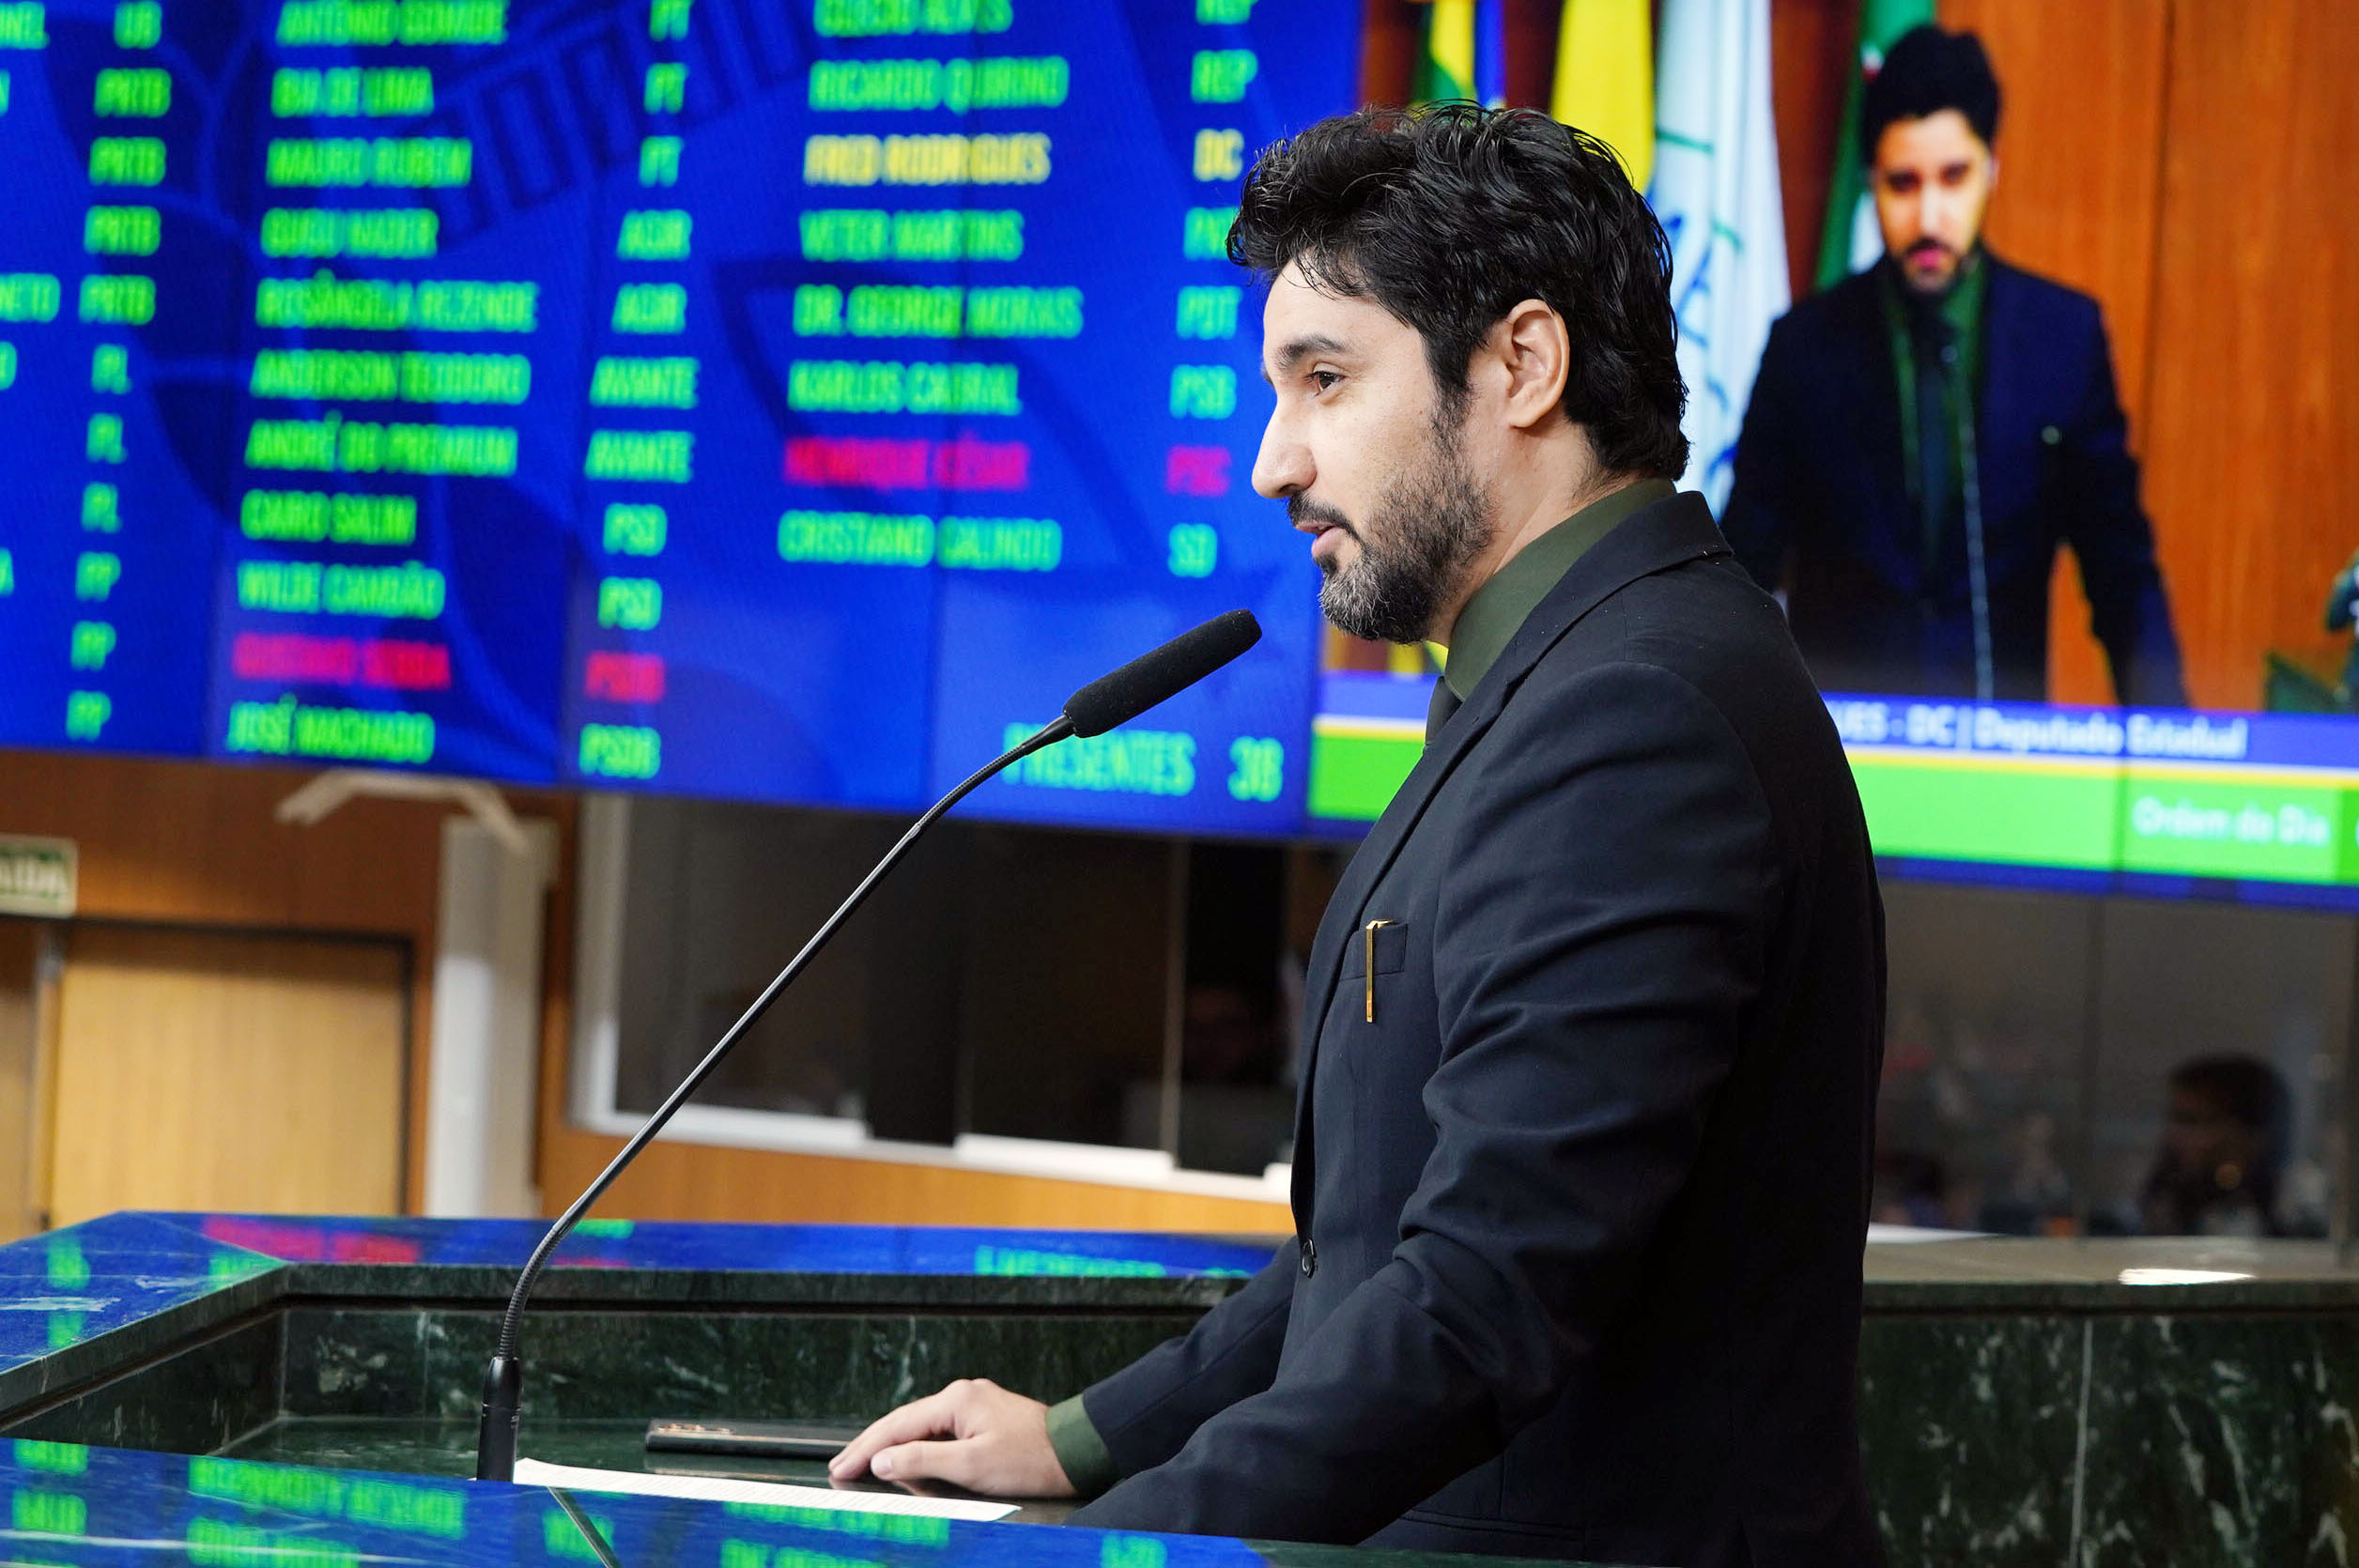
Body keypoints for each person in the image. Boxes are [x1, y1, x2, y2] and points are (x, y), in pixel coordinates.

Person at [830, 105, 1888, 1567]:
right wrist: (1085, 1440)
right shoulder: (1560, 674)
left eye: (1324, 380)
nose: (1274, 461)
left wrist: (1098, 1555)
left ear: (1523, 365)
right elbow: (1379, 1247)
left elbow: (1481, 1295)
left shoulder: (1637, 712)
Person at [1721, 25, 2187, 707]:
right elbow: (1740, 577)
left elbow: (2123, 578)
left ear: (1993, 167)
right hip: (1839, 745)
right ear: (1870, 182)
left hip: (2001, 742)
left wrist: (2171, 744)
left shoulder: (2064, 339)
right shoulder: (1804, 348)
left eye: (1954, 177)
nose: (1930, 218)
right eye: (1903, 184)